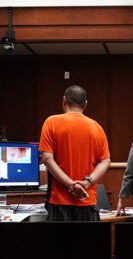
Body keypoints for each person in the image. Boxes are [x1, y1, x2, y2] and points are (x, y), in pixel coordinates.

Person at [38, 85, 111, 221]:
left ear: (64, 101)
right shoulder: (97, 127)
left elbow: (47, 159)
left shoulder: (51, 122)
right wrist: (87, 182)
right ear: (85, 104)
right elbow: (106, 162)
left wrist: (71, 185)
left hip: (59, 203)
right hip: (88, 201)